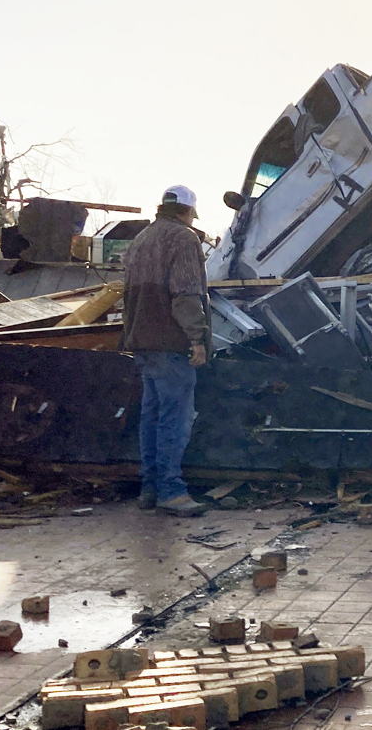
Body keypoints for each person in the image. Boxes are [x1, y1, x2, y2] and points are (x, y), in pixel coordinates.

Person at [120, 185, 212, 517]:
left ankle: (150, 488)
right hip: (171, 344)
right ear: (187, 212)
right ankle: (171, 492)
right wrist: (197, 338)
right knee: (175, 420)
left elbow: (127, 295)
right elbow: (185, 294)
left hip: (142, 342)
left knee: (152, 418)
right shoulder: (183, 239)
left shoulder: (141, 239)